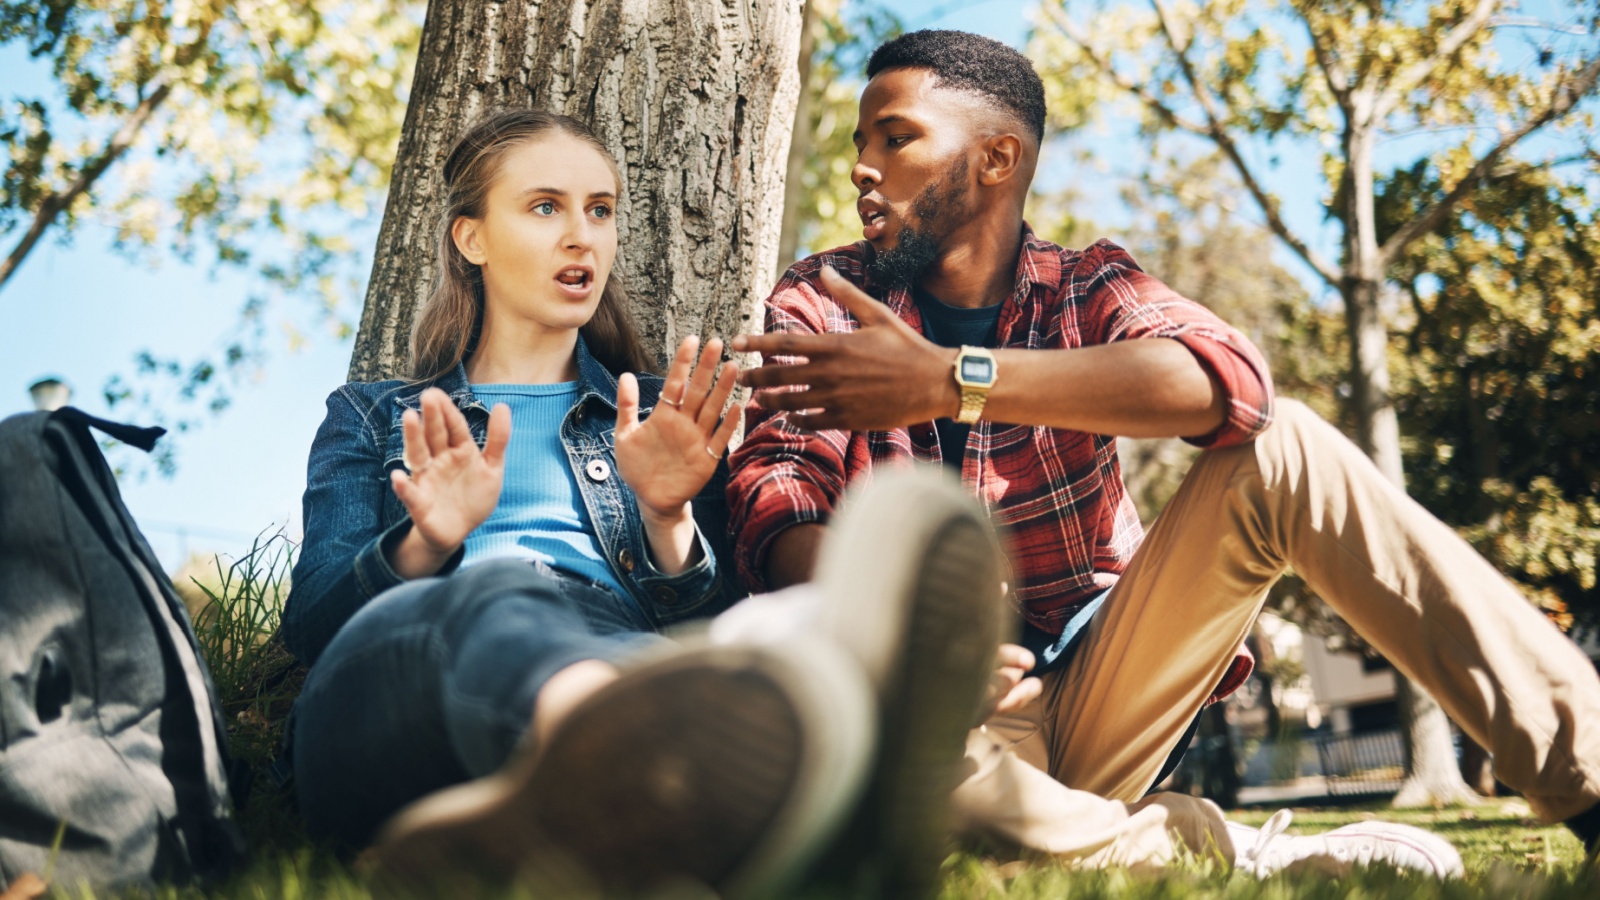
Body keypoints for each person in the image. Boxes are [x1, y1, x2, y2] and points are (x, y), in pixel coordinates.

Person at [727, 28, 1600, 873]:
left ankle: (1588, 772)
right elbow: (779, 493)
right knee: (903, 790)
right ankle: (1232, 850)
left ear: (997, 160)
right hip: (932, 725)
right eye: (859, 142)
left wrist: (957, 379)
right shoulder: (822, 298)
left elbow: (1233, 387)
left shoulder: (1087, 284)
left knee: (1283, 448)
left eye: (896, 137)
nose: (861, 168)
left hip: (1102, 689)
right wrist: (906, 631)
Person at [278, 107, 1010, 897]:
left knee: (772, 630)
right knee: (499, 586)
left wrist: (669, 519)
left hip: (619, 662)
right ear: (471, 239)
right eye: (544, 207)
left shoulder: (663, 416)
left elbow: (710, 623)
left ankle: (647, 804)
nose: (581, 237)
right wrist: (427, 545)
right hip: (391, 698)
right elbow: (316, 623)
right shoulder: (373, 414)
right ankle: (669, 763)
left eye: (600, 211)